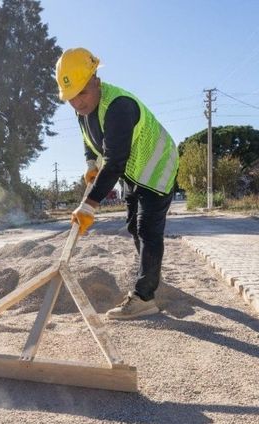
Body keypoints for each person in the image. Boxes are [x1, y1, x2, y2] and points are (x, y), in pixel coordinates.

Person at [56, 47, 179, 320]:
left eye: (82, 93)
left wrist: (88, 204)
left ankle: (144, 297)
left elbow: (114, 163)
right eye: (70, 98)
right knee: (133, 227)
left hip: (157, 166)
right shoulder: (83, 109)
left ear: (96, 79)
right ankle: (151, 275)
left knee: (147, 228)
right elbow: (89, 138)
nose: (77, 102)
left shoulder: (119, 107)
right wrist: (90, 163)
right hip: (134, 171)